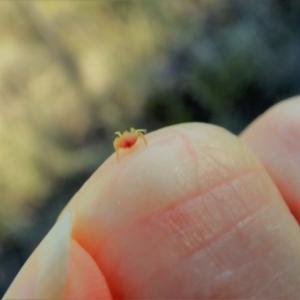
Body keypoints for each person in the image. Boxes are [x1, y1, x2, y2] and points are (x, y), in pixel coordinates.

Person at [4, 97, 300, 299]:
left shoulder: (131, 139)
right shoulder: (125, 144)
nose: (130, 139)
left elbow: (133, 139)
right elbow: (126, 144)